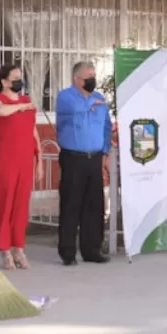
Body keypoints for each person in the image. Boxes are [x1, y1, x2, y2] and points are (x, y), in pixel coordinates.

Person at [0, 64, 44, 269]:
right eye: (15, 78)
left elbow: (33, 131)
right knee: (5, 201)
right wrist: (20, 107)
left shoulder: (26, 101)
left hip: (25, 158)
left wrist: (40, 159)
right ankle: (5, 250)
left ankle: (19, 247)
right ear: (4, 81)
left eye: (20, 77)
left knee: (21, 204)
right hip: (6, 158)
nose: (19, 81)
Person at [54, 61, 112, 265]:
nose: (92, 80)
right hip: (73, 158)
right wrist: (90, 104)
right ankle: (68, 252)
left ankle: (92, 249)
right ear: (76, 79)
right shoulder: (66, 97)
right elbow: (76, 109)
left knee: (94, 205)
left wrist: (105, 151)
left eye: (94, 75)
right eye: (88, 76)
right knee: (71, 204)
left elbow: (107, 126)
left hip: (94, 157)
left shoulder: (99, 99)